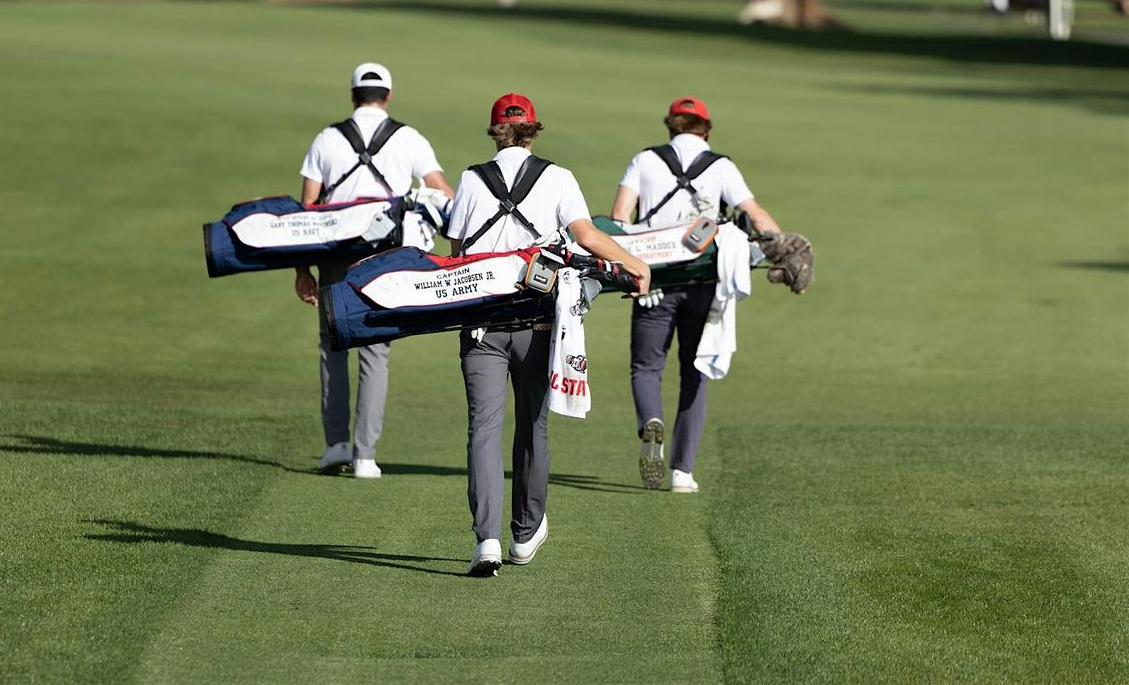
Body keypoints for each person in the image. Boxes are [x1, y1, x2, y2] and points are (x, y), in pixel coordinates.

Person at [447, 93, 651, 577]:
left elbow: (457, 255)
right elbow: (587, 236)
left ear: (494, 130)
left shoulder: (471, 179)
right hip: (539, 325)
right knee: (532, 425)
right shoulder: (558, 178)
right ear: (533, 130)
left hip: (481, 327)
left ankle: (487, 541)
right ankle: (525, 532)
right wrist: (635, 263)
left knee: (483, 431)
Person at [609, 96, 782, 494]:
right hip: (705, 284)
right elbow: (755, 215)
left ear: (671, 126)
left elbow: (619, 218)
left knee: (646, 367)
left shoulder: (644, 160)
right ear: (705, 129)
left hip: (653, 279)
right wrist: (785, 246)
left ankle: (651, 420)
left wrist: (631, 272)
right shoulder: (721, 166)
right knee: (695, 371)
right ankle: (682, 471)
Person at [295, 62, 454, 479]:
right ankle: (365, 455)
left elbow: (306, 209)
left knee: (332, 347)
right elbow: (444, 192)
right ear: (388, 95)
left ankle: (335, 447)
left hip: (332, 253)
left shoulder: (327, 138)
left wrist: (301, 270)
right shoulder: (408, 138)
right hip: (385, 259)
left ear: (353, 96)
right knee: (375, 353)